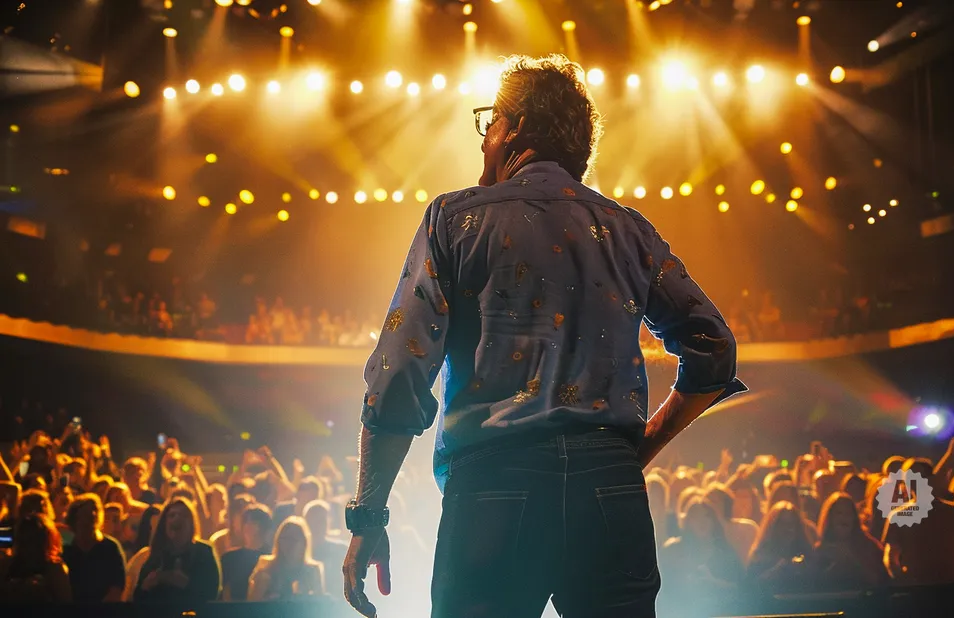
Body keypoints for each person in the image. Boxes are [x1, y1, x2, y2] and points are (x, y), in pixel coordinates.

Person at [342, 53, 745, 618]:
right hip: (611, 488)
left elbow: (399, 372)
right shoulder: (628, 230)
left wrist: (368, 517)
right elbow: (714, 347)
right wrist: (639, 448)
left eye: (491, 123)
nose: (484, 140)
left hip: (493, 487)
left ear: (516, 130)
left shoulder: (454, 220)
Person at [133, 497, 220, 603]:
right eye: (171, 515)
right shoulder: (157, 554)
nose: (177, 518)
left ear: (191, 523)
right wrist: (147, 584)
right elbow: (137, 598)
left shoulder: (204, 552)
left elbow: (212, 593)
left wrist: (185, 583)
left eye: (183, 515)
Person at [813, 492, 887, 589]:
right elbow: (815, 584)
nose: (843, 518)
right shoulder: (821, 549)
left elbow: (879, 581)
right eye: (839, 513)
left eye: (848, 513)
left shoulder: (869, 546)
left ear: (854, 518)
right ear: (830, 518)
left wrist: (852, 560)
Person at [62, 493, 127, 602]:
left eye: (95, 510)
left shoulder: (110, 548)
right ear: (75, 518)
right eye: (85, 513)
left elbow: (117, 587)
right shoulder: (67, 550)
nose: (92, 514)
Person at [247, 516, 324, 600]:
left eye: (294, 539)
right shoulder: (266, 566)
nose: (290, 544)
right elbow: (252, 603)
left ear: (304, 542)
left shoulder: (312, 570)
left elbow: (319, 603)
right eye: (286, 539)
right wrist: (260, 588)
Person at [0, 514, 72, 602]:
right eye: (24, 539)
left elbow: (64, 606)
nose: (29, 546)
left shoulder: (54, 570)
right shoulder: (7, 566)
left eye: (33, 539)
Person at [221, 505, 273, 601]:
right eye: (246, 522)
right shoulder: (230, 558)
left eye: (254, 522)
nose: (248, 526)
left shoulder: (271, 559)